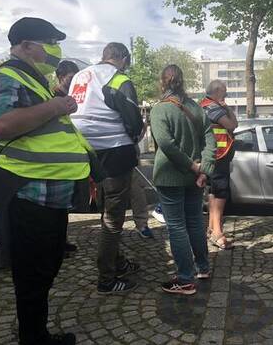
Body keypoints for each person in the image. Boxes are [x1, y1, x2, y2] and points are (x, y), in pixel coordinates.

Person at [0, 17, 93, 345]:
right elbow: (1, 125)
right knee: (32, 273)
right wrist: (56, 105)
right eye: (48, 42)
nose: (53, 49)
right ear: (26, 45)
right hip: (27, 193)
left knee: (46, 265)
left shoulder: (33, 79)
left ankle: (36, 333)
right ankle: (34, 338)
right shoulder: (6, 77)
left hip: (46, 194)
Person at [69, 42, 144, 294]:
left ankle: (117, 261)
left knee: (104, 208)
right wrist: (136, 138)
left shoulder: (81, 75)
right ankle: (107, 278)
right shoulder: (118, 77)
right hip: (114, 149)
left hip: (84, 149)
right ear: (122, 58)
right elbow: (133, 120)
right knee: (114, 217)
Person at [150, 65, 216, 295]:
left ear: (162, 83)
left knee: (176, 226)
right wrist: (203, 170)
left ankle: (185, 279)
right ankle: (203, 267)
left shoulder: (159, 110)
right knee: (196, 222)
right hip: (195, 178)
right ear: (182, 82)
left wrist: (193, 166)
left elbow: (166, 144)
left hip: (170, 176)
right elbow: (210, 141)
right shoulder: (196, 108)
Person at [200, 80, 237, 249]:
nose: (226, 95)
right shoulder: (213, 108)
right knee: (220, 193)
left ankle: (211, 228)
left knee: (213, 193)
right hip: (218, 156)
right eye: (225, 92)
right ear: (217, 92)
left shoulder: (203, 105)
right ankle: (217, 232)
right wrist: (227, 108)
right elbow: (232, 125)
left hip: (213, 156)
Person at [54, 60, 81, 254]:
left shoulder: (70, 97)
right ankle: (56, 243)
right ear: (60, 77)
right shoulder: (54, 97)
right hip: (57, 158)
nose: (73, 82)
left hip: (68, 158)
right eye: (70, 78)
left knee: (63, 206)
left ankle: (62, 240)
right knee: (56, 205)